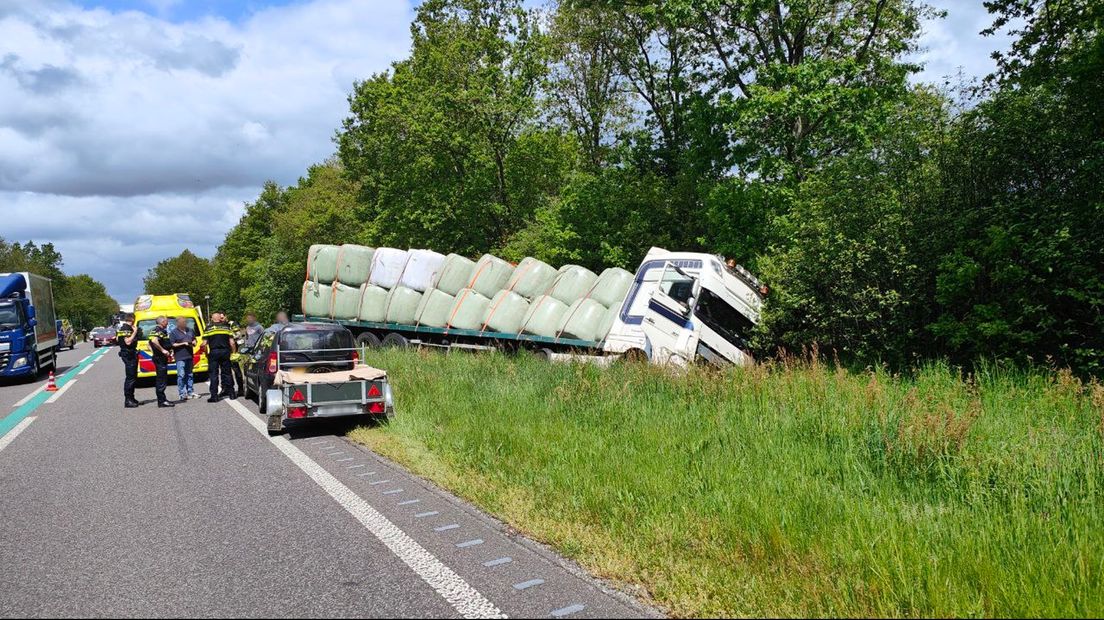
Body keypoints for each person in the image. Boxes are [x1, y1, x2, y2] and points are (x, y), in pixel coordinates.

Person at [203, 311, 236, 403]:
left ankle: (214, 396)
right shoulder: (226, 327)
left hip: (214, 352)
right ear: (219, 318)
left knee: (213, 374)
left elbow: (204, 344)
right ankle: (232, 393)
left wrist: (206, 353)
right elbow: (232, 342)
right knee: (227, 372)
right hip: (225, 351)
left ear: (212, 319)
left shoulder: (209, 328)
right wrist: (233, 353)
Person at [147, 315, 175, 408]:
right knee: (161, 380)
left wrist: (154, 352)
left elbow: (148, 344)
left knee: (161, 379)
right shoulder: (159, 331)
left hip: (158, 357)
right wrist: (163, 350)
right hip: (160, 358)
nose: (167, 323)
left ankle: (162, 399)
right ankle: (162, 401)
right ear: (162, 322)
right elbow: (154, 341)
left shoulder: (153, 330)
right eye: (166, 321)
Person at [116, 313, 142, 408]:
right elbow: (128, 341)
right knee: (130, 378)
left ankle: (132, 398)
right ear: (132, 319)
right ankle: (128, 400)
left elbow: (118, 339)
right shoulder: (126, 329)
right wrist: (135, 332)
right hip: (128, 355)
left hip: (130, 354)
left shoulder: (124, 328)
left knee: (133, 377)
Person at [170, 316, 198, 402]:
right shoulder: (173, 332)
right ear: (178, 323)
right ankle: (182, 393)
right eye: (183, 322)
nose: (185, 323)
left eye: (185, 322)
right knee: (181, 375)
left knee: (190, 374)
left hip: (189, 355)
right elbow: (173, 344)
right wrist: (183, 343)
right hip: (180, 356)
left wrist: (194, 342)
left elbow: (194, 340)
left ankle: (190, 392)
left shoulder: (190, 330)